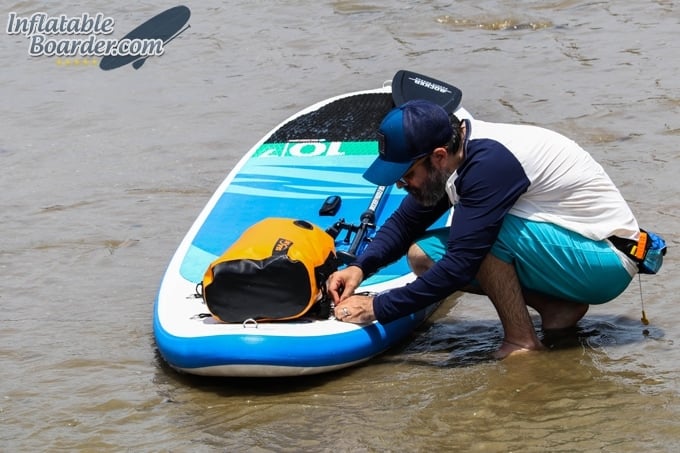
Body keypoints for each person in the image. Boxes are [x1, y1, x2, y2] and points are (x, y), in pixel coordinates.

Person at [327, 99, 643, 358]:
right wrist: (359, 268)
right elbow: (406, 222)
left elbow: (462, 262)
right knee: (422, 254)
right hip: (571, 250)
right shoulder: (453, 156)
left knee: (481, 236)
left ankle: (521, 341)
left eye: (406, 174)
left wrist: (379, 307)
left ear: (437, 157)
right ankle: (557, 308)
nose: (400, 183)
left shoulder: (488, 165)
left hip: (608, 258)